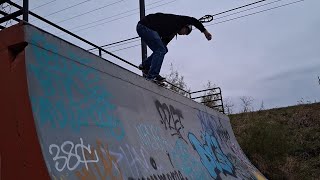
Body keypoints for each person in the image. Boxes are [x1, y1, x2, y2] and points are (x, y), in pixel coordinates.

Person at [136, 12, 212, 83]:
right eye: (185, 32)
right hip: (145, 26)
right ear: (185, 26)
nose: (183, 34)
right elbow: (194, 20)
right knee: (161, 50)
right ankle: (152, 76)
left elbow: (162, 46)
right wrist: (205, 32)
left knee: (163, 50)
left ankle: (145, 66)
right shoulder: (180, 21)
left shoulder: (171, 34)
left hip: (147, 28)